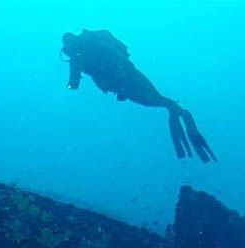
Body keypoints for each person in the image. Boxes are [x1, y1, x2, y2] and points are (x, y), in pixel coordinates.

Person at [61, 29, 216, 163]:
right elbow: (119, 55)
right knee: (158, 100)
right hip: (129, 74)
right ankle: (183, 118)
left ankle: (182, 123)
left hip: (122, 83)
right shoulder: (91, 45)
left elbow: (74, 84)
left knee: (155, 101)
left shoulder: (80, 54)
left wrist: (70, 85)